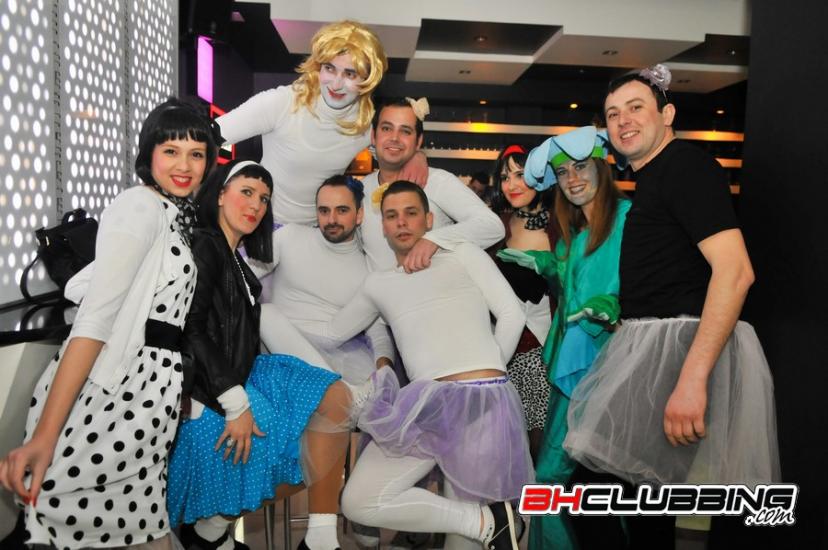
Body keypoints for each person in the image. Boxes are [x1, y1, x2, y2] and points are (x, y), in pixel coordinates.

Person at [563, 66, 779, 546]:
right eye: (613, 114)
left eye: (636, 107)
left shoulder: (684, 167)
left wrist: (691, 380)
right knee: (647, 507)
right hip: (657, 356)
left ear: (667, 114)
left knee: (592, 496)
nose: (623, 121)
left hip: (675, 360)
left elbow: (736, 272)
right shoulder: (657, 178)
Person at [0, 98, 219, 549]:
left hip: (148, 400)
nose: (184, 165)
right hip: (114, 399)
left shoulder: (171, 213)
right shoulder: (139, 206)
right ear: (148, 154)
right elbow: (95, 320)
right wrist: (45, 437)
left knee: (140, 530)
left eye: (196, 154)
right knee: (89, 526)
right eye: (171, 151)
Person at [323, 181, 531, 550]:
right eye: (392, 216)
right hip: (424, 406)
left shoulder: (462, 253)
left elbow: (512, 314)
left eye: (411, 213)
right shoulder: (377, 284)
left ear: (429, 219)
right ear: (383, 226)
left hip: (480, 404)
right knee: (360, 500)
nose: (402, 222)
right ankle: (490, 521)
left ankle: (487, 523)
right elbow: (332, 333)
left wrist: (488, 371)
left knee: (462, 546)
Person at [166, 161, 355, 550]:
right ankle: (210, 530)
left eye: (264, 199)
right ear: (220, 195)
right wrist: (234, 402)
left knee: (334, 400)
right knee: (292, 445)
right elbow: (189, 329)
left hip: (241, 374)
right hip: (212, 390)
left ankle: (313, 536)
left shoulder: (234, 256)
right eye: (247, 192)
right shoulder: (204, 244)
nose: (256, 205)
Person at [498, 126, 630, 550]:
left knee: (592, 482)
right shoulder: (577, 232)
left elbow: (644, 283)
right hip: (569, 369)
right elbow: (573, 284)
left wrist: (615, 304)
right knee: (557, 479)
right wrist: (546, 264)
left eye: (581, 167)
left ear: (601, 168)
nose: (572, 178)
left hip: (608, 370)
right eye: (562, 172)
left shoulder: (628, 219)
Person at [216, 20, 426, 226]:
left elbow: (392, 150)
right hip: (262, 223)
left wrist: (416, 156)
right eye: (330, 68)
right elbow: (208, 136)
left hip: (319, 230)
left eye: (350, 73)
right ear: (318, 66)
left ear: (367, 79)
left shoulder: (366, 122)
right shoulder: (282, 103)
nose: (336, 84)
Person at [249, 175, 394, 385]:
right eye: (324, 211)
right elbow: (243, 274)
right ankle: (337, 389)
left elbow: (378, 333)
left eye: (342, 210)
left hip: (331, 355)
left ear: (359, 214)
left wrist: (384, 370)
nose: (332, 219)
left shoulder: (367, 271)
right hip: (272, 345)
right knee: (264, 315)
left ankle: (336, 389)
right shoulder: (290, 237)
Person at [360, 98, 504, 273]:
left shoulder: (438, 181)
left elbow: (492, 226)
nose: (395, 138)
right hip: (378, 290)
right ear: (373, 136)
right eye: (386, 128)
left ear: (418, 141)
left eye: (405, 131)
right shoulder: (361, 189)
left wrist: (434, 239)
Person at [487, 144, 558, 460]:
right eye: (505, 177)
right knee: (503, 446)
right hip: (501, 354)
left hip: (546, 354)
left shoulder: (562, 224)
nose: (512, 185)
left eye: (520, 174)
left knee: (542, 448)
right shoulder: (495, 225)